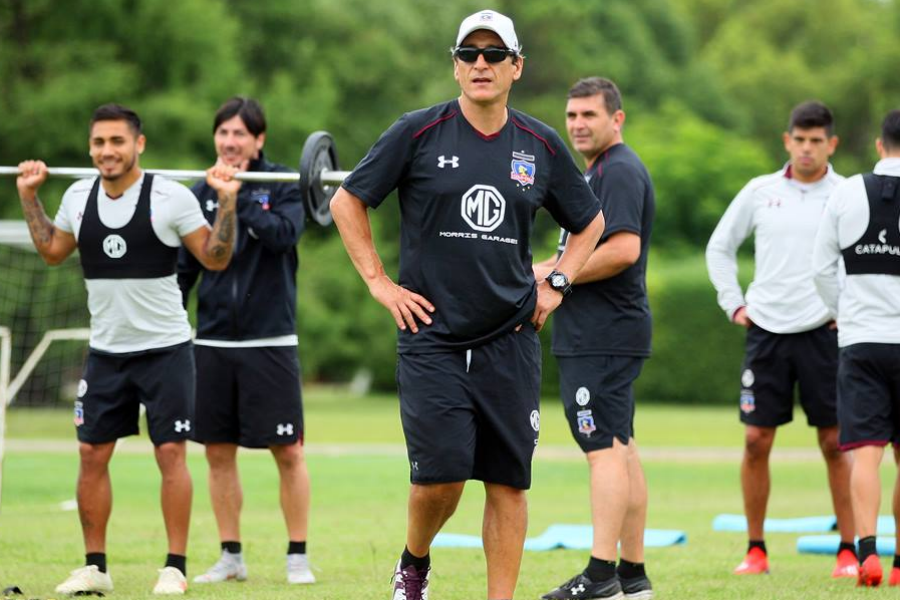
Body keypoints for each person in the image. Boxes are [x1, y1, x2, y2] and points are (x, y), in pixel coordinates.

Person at [329, 9, 605, 600]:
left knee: (508, 483)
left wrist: (557, 283)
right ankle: (414, 561)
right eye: (470, 54)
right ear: (455, 66)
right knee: (442, 477)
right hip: (432, 337)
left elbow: (591, 222)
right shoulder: (417, 131)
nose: (482, 64)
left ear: (516, 67)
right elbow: (348, 201)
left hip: (511, 336)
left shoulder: (539, 144)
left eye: (494, 54)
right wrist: (379, 282)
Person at [14, 104, 239, 595]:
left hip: (166, 350)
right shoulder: (77, 196)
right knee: (92, 452)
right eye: (99, 143)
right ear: (90, 147)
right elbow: (53, 252)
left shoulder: (170, 197)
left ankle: (174, 567)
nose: (106, 151)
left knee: (170, 453)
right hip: (107, 351)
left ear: (138, 145)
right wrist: (29, 197)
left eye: (117, 141)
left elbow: (216, 259)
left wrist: (225, 202)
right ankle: (95, 566)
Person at [706, 101, 856, 577]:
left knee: (835, 442)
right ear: (787, 140)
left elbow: (867, 256)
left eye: (817, 141)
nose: (807, 149)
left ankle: (849, 550)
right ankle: (756, 550)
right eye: (800, 139)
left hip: (823, 333)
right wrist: (734, 302)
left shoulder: (850, 194)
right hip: (766, 333)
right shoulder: (760, 191)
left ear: (831, 144)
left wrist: (847, 308)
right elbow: (720, 247)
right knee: (755, 440)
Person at [177, 97, 313, 585]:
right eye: (223, 133)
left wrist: (239, 199)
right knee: (217, 452)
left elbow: (283, 235)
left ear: (258, 140)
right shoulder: (197, 193)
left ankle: (297, 555)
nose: (229, 142)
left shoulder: (281, 185)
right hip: (212, 341)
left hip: (270, 340)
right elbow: (185, 270)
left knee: (289, 452)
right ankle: (230, 556)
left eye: (239, 134)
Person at [536, 77, 655, 600]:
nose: (579, 124)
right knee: (622, 448)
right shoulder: (598, 171)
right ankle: (632, 576)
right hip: (604, 333)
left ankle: (601, 575)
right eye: (572, 116)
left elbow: (623, 249)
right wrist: (545, 269)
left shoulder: (620, 170)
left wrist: (555, 274)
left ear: (617, 119)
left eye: (589, 115)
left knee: (602, 450)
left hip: (602, 335)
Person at [813, 109, 900, 587]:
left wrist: (842, 314)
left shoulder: (847, 191)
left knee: (865, 453)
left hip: (861, 340)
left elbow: (821, 268)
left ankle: (867, 552)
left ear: (877, 145)